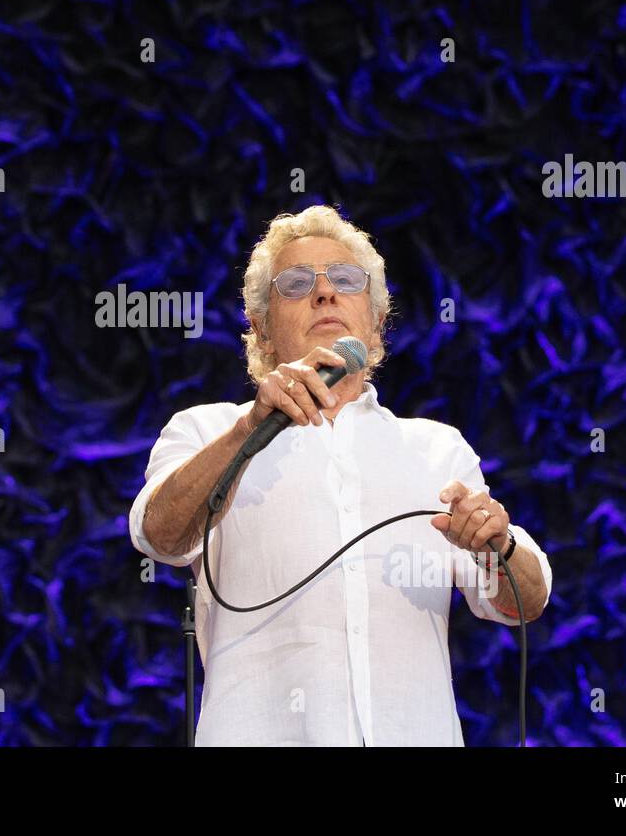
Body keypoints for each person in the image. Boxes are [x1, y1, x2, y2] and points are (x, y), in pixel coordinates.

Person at [128, 205, 552, 746]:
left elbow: (523, 603)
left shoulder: (435, 448)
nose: (325, 293)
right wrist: (248, 429)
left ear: (375, 319)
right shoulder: (208, 430)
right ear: (259, 330)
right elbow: (159, 535)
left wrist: (498, 545)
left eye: (346, 280)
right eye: (297, 283)